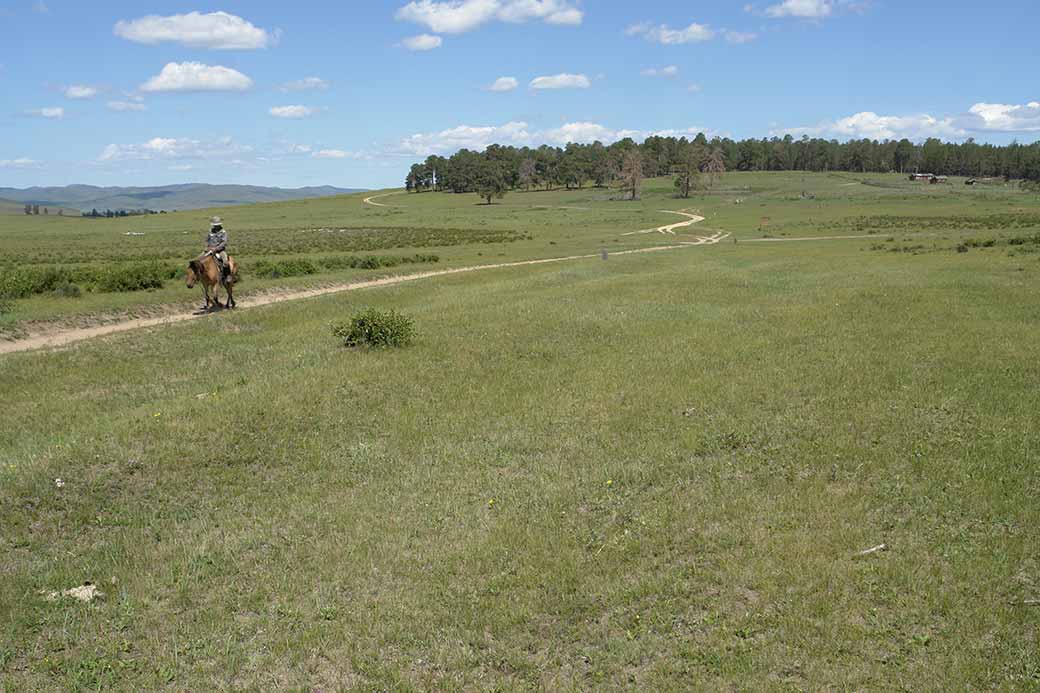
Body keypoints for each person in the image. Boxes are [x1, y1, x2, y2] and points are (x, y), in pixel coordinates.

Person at [205, 216, 230, 283]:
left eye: (217, 225)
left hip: (220, 251)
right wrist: (208, 247)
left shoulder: (223, 232)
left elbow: (224, 242)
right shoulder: (210, 231)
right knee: (200, 259)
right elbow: (207, 240)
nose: (216, 226)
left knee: (225, 261)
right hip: (210, 249)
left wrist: (216, 248)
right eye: (215, 225)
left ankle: (228, 276)